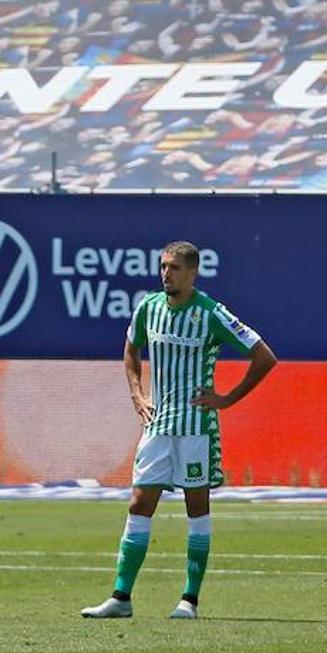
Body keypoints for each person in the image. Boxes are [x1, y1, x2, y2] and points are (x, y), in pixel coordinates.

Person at [82, 241, 277, 620]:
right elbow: (131, 350)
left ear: (191, 273)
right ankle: (121, 598)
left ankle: (189, 600)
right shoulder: (148, 308)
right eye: (163, 266)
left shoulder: (211, 314)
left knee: (196, 508)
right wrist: (138, 394)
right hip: (158, 426)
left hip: (195, 430)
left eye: (173, 268)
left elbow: (264, 356)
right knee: (139, 503)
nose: (165, 273)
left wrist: (226, 399)